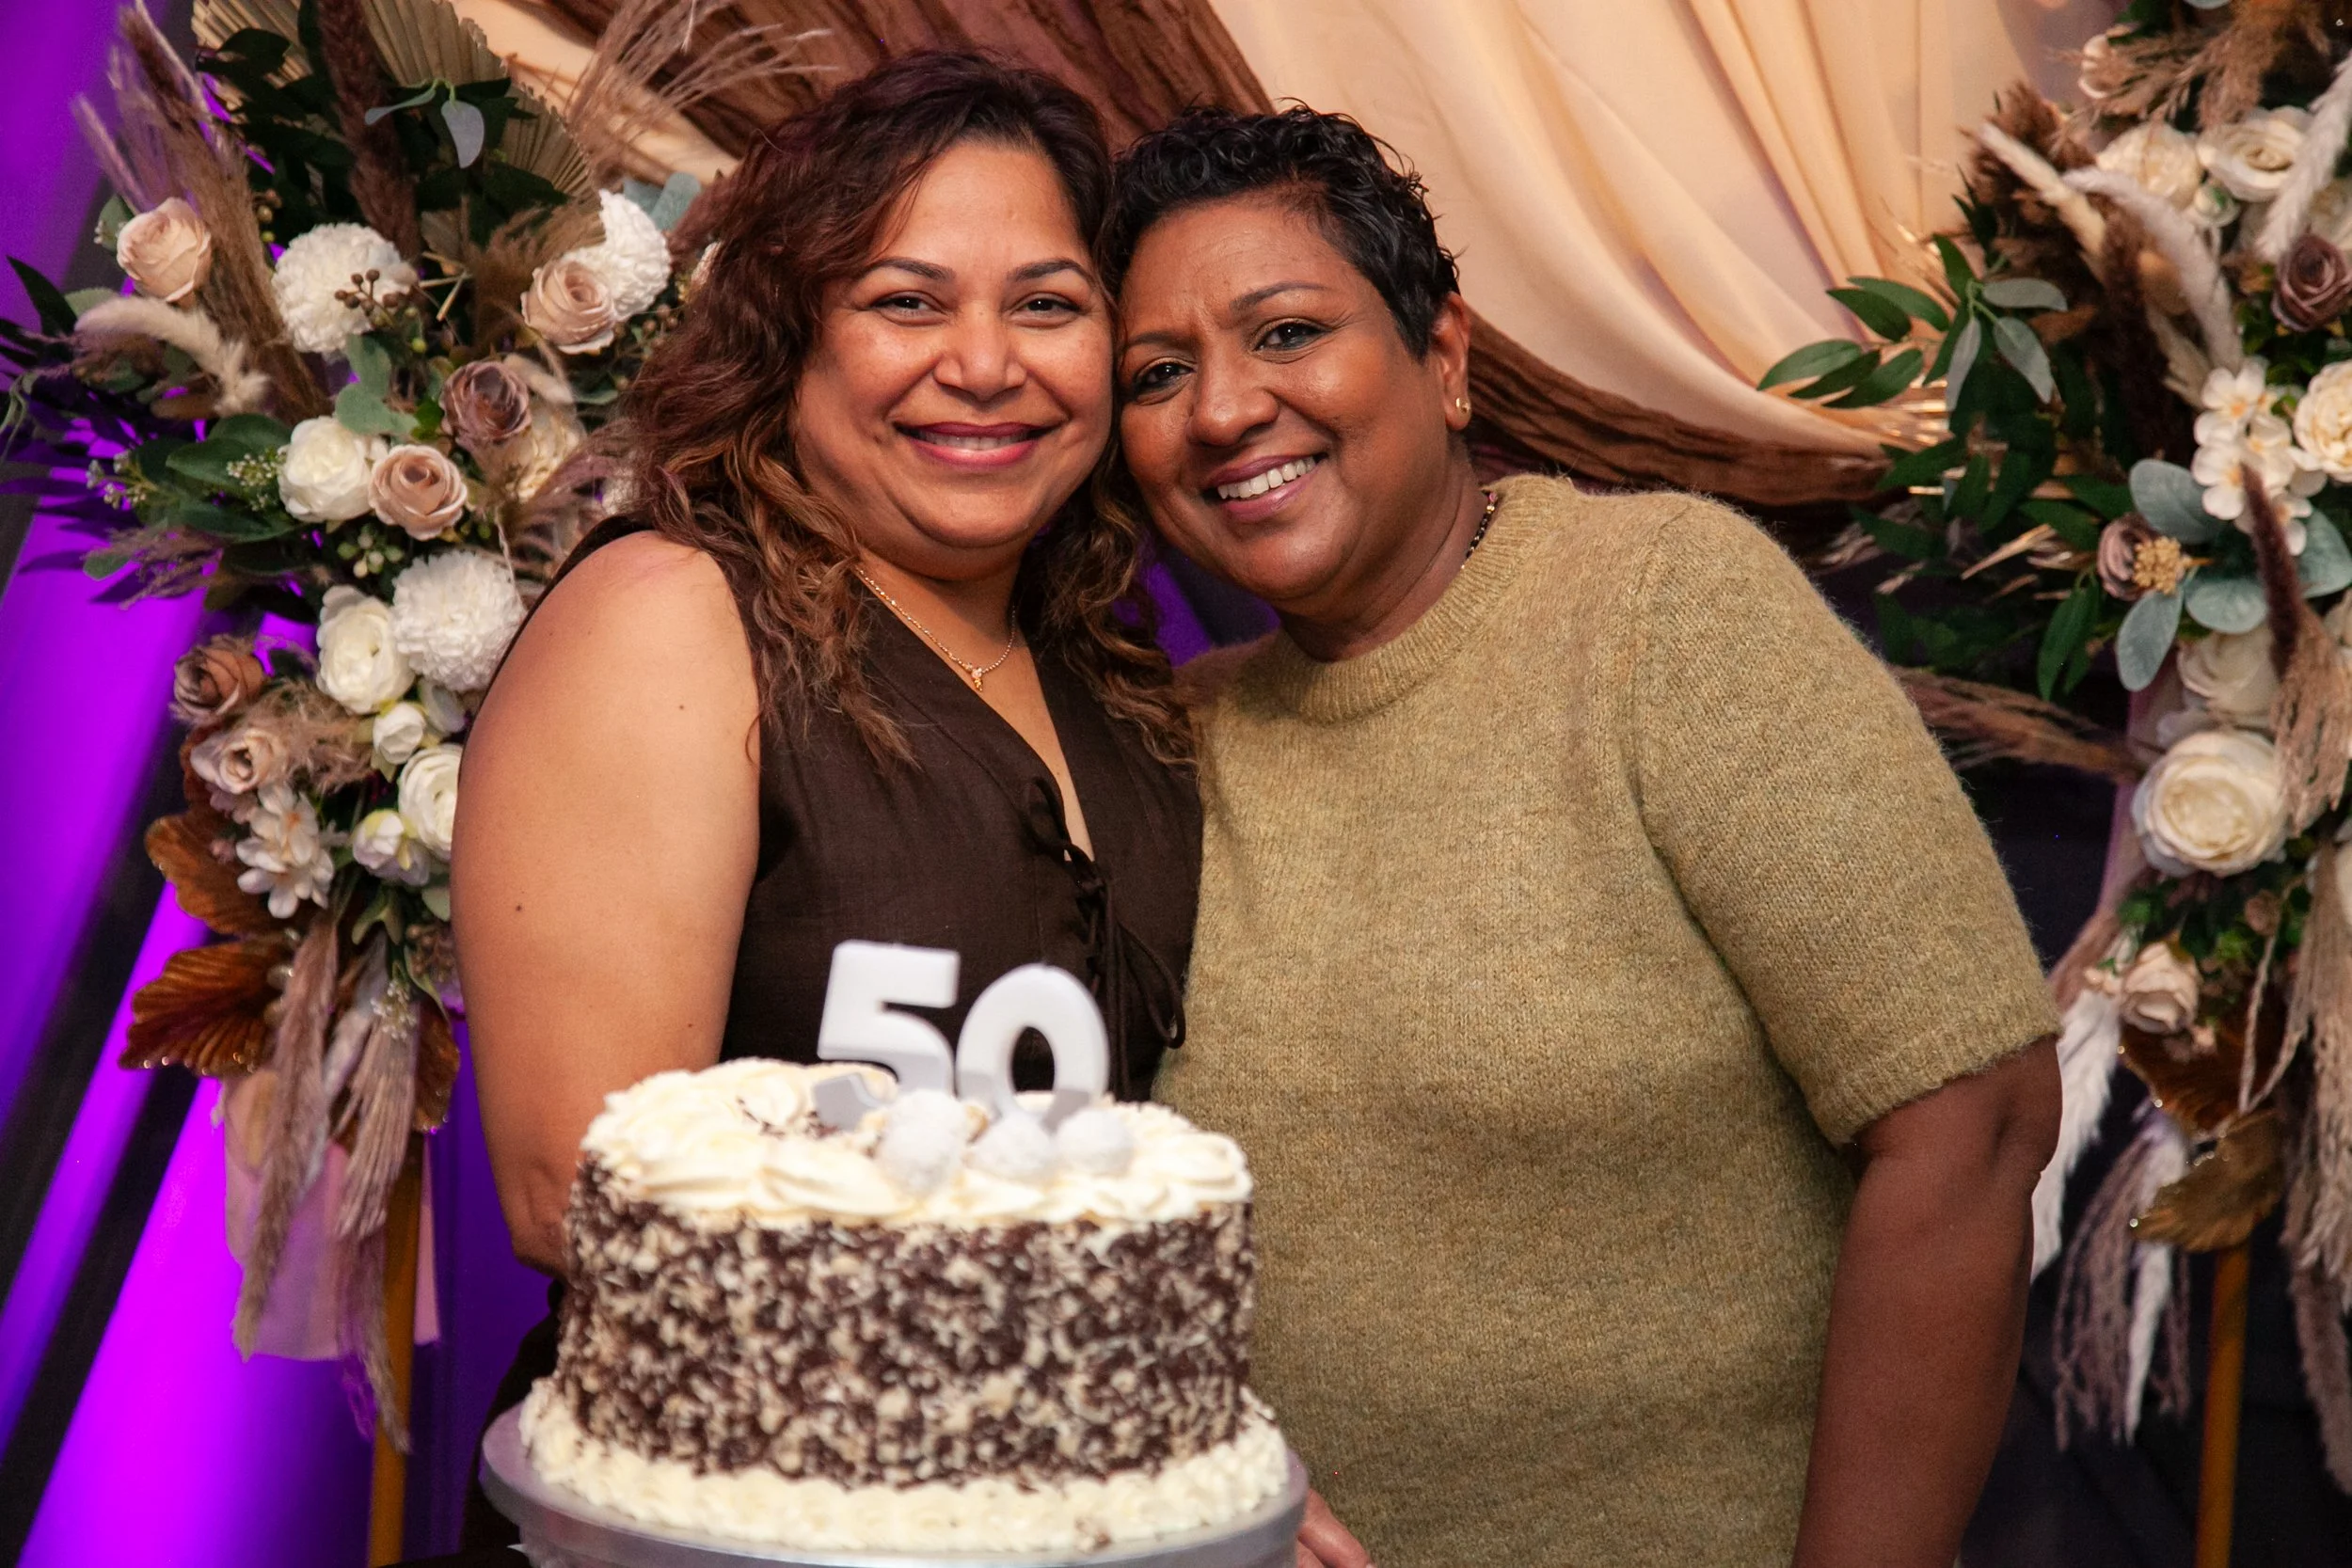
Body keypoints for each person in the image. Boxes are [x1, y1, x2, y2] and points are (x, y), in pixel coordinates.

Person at [1099, 108, 2063, 1568]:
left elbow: (1971, 1124)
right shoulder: (1179, 731)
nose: (1223, 409)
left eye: (1287, 331)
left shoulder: (1661, 610)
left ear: (1445, 357)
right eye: (1158, 374)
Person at [448, 53, 1198, 1545]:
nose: (984, 363)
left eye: (1047, 304)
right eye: (906, 301)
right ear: (788, 335)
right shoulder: (674, 618)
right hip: (712, 1523)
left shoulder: (1109, 672)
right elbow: (581, 1191)